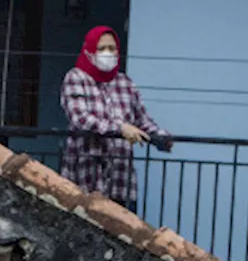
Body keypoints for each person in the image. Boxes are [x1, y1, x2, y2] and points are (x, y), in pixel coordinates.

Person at [59, 26, 169, 214]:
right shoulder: (76, 78)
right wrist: (120, 128)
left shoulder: (125, 83)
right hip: (87, 177)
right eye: (101, 49)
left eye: (112, 48)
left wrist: (160, 137)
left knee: (124, 236)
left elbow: (141, 119)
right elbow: (81, 119)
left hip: (120, 180)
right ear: (89, 51)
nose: (107, 53)